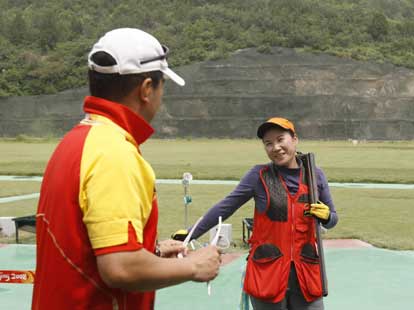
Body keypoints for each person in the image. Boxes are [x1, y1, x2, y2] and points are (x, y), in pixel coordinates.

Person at [32, 28, 221, 310]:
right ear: (146, 89)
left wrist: (150, 252)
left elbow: (85, 246)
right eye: (161, 86)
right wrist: (194, 266)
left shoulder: (78, 141)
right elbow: (120, 267)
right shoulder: (114, 153)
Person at [181, 117, 338, 310]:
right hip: (267, 274)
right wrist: (190, 233)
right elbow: (225, 207)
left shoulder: (316, 175)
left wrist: (327, 216)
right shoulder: (259, 175)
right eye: (268, 143)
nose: (276, 147)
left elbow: (333, 220)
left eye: (281, 139)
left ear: (294, 139)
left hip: (306, 273)